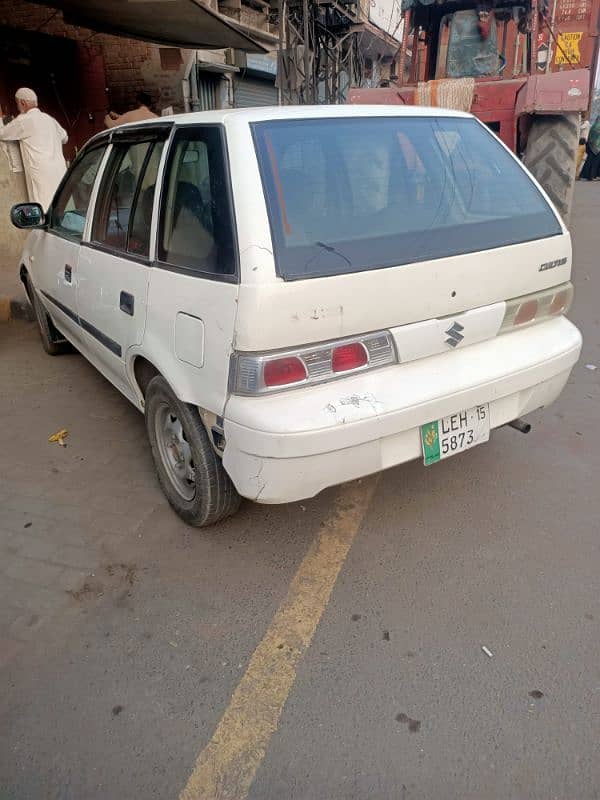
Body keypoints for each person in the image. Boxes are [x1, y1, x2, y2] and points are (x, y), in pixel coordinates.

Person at [0, 87, 68, 210]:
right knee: (62, 207)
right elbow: (65, 138)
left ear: (22, 103)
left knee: (43, 210)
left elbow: (2, 134)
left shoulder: (23, 120)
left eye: (17, 104)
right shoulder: (50, 119)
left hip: (41, 173)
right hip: (59, 171)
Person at [580, 116, 600, 181]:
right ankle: (592, 176)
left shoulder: (594, 126)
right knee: (595, 162)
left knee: (589, 160)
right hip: (597, 146)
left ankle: (584, 175)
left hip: (590, 145)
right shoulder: (597, 127)